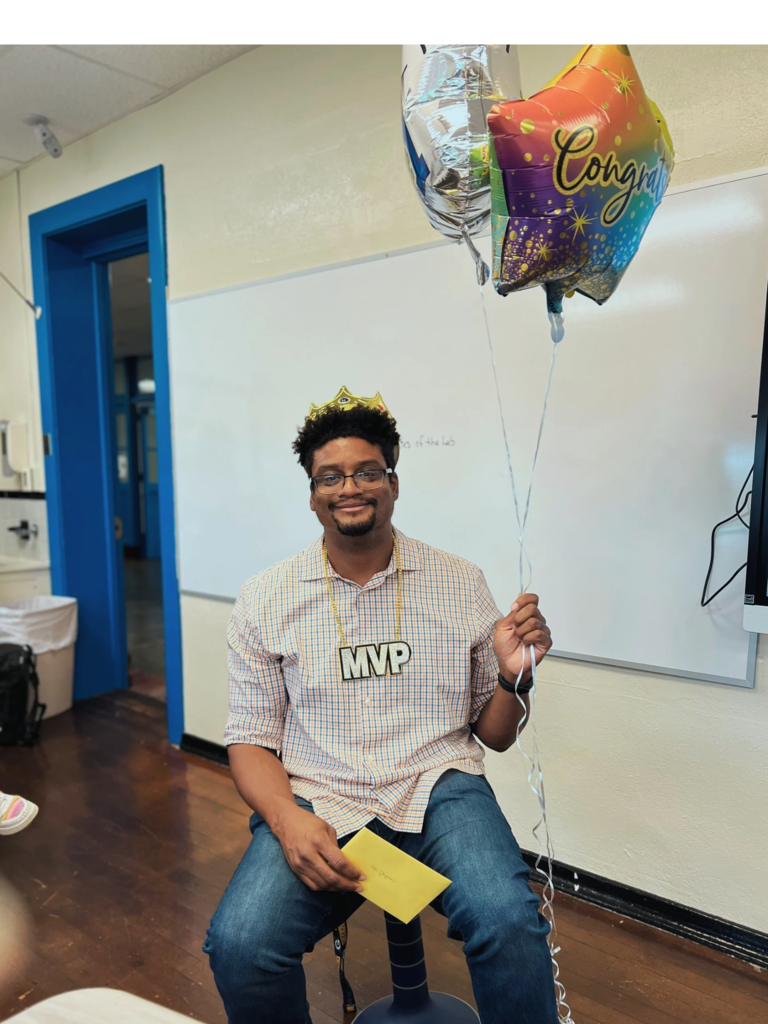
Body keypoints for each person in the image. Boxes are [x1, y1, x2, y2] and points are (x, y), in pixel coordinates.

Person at [204, 387, 559, 1024]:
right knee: (240, 945)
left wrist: (512, 679)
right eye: (330, 477)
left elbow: (496, 736)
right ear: (311, 493)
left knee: (510, 923)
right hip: (320, 794)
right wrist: (287, 820)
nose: (350, 488)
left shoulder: (457, 582)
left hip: (439, 784)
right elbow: (251, 739)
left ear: (393, 482)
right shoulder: (266, 598)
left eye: (367, 471)